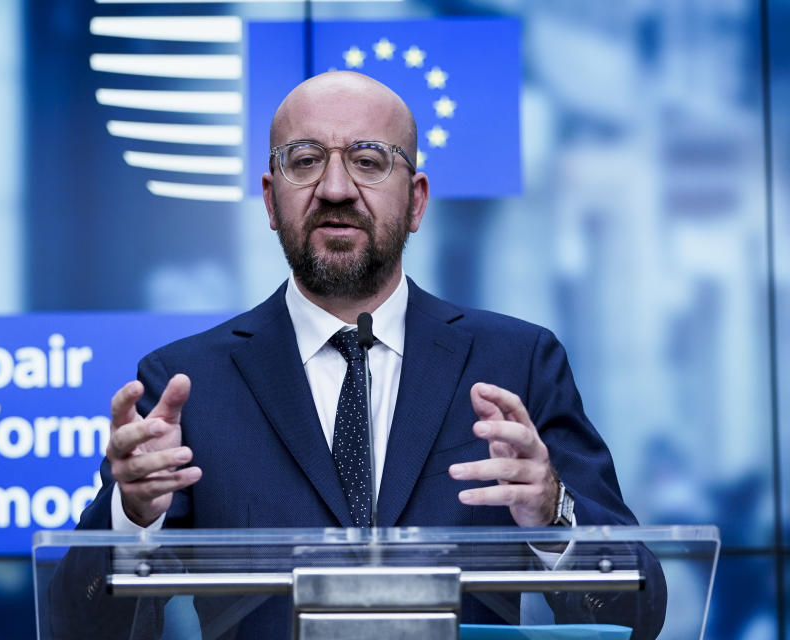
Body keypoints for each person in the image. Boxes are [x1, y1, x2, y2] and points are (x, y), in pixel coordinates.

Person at [58, 71, 666, 638]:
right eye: (305, 161)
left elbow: (639, 612)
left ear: (418, 201)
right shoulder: (186, 384)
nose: (336, 189)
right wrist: (133, 520)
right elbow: (76, 625)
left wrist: (554, 515)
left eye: (369, 161)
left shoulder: (517, 361)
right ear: (270, 202)